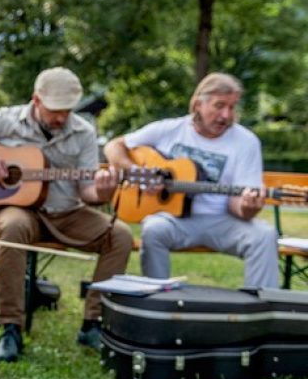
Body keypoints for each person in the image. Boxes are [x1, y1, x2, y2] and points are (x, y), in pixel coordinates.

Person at [0, 67, 133, 362]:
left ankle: (93, 322)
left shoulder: (83, 131)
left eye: (66, 111)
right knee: (14, 227)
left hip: (67, 211)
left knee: (119, 235)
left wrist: (105, 192)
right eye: (55, 110)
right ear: (36, 100)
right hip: (19, 209)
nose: (61, 118)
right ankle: (10, 328)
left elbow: (87, 192)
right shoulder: (7, 119)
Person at [104, 72, 279, 288]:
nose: (226, 115)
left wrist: (248, 206)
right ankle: (158, 302)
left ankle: (261, 310)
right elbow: (113, 146)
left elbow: (239, 207)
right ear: (198, 104)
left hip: (222, 221)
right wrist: (139, 172)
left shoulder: (246, 142)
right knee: (153, 229)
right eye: (219, 105)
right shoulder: (170, 129)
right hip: (175, 220)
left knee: (264, 235)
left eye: (232, 107)